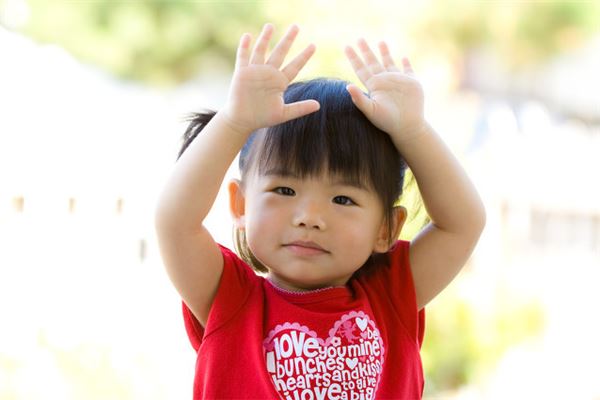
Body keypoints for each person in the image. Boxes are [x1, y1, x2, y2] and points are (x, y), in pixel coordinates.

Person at [155, 23, 486, 399]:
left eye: (343, 199)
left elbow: (463, 223)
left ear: (385, 229)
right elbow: (175, 222)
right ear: (242, 204)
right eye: (284, 189)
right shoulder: (229, 299)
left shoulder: (391, 296)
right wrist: (233, 122)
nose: (309, 217)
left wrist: (413, 132)